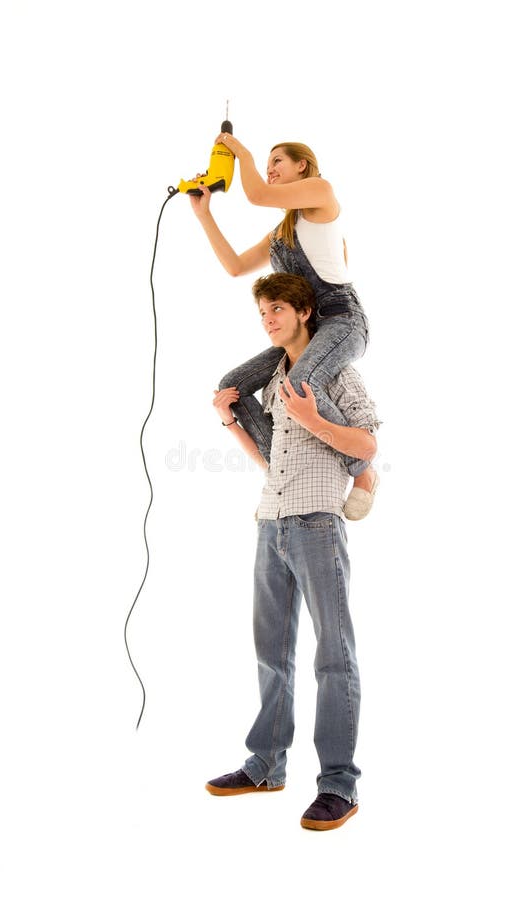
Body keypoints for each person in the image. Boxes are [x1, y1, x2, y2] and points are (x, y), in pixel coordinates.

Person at [207, 272, 380, 831]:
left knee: (334, 655)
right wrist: (232, 419)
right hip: (271, 521)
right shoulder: (272, 383)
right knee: (271, 650)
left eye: (277, 308)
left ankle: (338, 784)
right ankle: (266, 766)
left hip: (317, 525)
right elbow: (271, 460)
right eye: (262, 313)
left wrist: (313, 418)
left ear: (305, 313)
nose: (269, 319)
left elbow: (368, 442)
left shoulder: (335, 376)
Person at [190, 135, 378, 520]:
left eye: (277, 161)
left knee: (300, 381)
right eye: (267, 162)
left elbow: (256, 194)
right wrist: (204, 214)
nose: (269, 169)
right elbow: (236, 267)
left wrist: (238, 153)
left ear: (302, 167)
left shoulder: (322, 195)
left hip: (342, 320)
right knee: (233, 386)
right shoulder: (282, 233)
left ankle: (363, 471)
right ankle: (279, 467)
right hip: (307, 329)